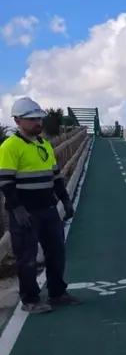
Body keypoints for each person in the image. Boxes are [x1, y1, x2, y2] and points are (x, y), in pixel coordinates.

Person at [0, 97, 81, 314]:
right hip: (26, 212)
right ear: (17, 121)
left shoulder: (43, 145)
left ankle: (57, 292)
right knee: (27, 258)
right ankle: (30, 300)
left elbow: (55, 177)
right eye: (32, 119)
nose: (37, 122)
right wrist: (17, 209)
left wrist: (64, 199)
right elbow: (6, 182)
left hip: (48, 209)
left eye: (38, 118)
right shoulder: (10, 147)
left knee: (56, 252)